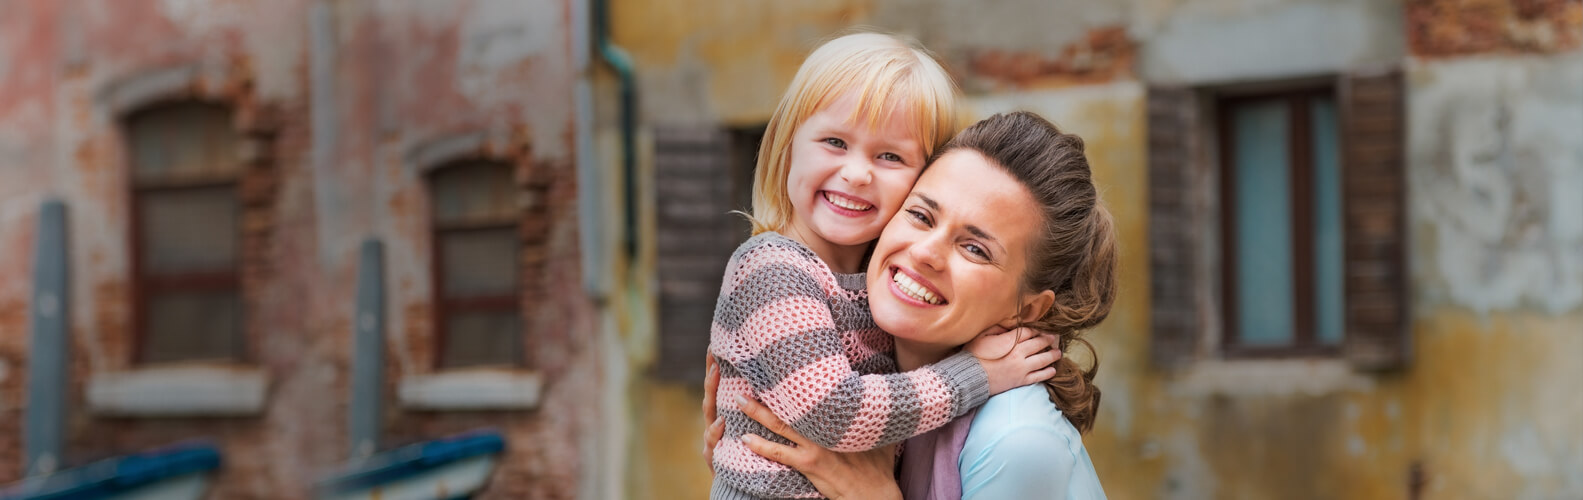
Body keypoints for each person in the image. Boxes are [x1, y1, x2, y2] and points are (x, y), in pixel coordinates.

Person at [707, 34, 1062, 500]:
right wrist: (977, 374)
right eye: (835, 142)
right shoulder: (771, 268)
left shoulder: (876, 288)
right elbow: (834, 411)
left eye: (890, 156)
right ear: (787, 145)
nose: (857, 173)